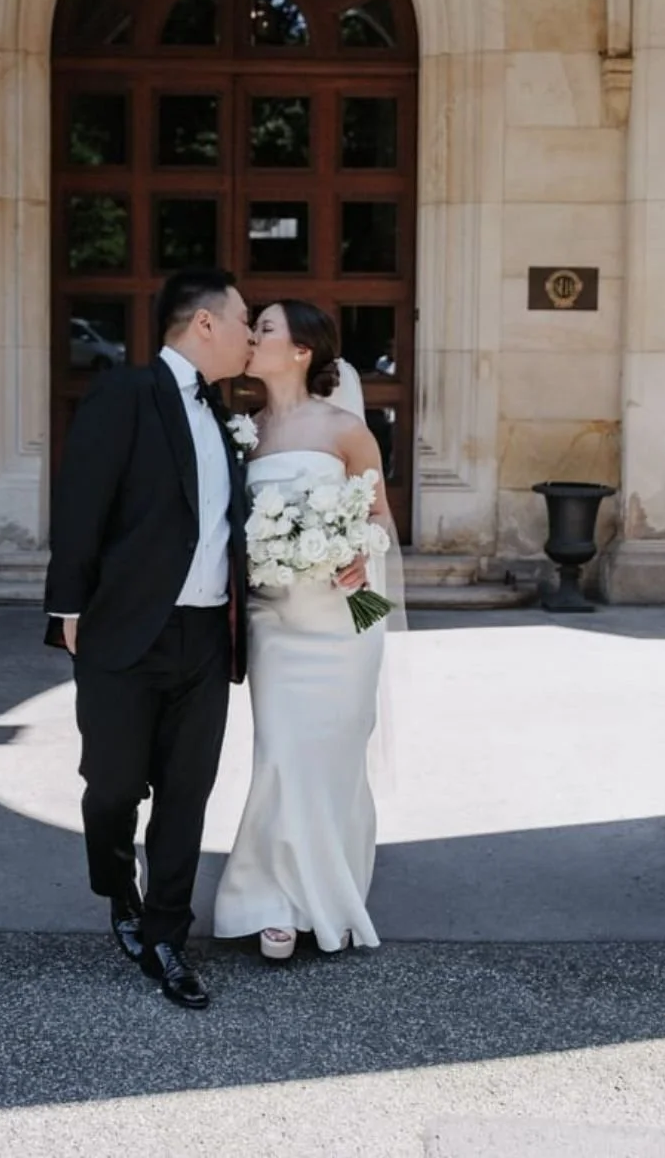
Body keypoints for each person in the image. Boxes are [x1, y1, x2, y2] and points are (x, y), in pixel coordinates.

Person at [44, 268, 252, 1010]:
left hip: (207, 634)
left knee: (187, 795)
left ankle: (167, 933)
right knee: (112, 788)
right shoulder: (125, 395)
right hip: (123, 630)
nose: (251, 335)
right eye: (243, 321)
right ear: (204, 326)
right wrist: (66, 607)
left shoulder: (228, 418)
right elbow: (80, 504)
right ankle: (117, 892)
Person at [213, 300, 400, 959]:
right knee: (280, 755)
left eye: (264, 328)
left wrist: (357, 552)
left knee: (334, 758)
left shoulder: (347, 429)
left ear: (300, 351)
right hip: (275, 623)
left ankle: (327, 891)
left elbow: (380, 521)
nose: (251, 337)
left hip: (346, 622)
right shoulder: (241, 432)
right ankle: (269, 900)